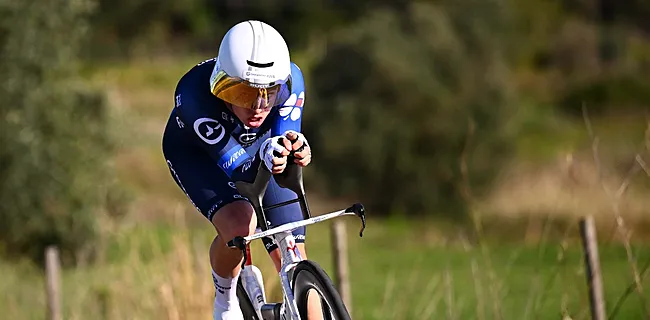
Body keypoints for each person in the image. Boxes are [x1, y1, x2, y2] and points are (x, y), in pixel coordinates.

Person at [161, 20, 313, 319]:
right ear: (222, 84)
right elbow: (243, 171)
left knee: (293, 252)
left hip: (259, 148)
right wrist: (269, 153)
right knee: (241, 225)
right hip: (199, 154)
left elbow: (285, 141)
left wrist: (295, 149)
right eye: (244, 94)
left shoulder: (292, 80)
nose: (258, 105)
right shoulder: (193, 96)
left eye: (270, 93)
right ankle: (226, 299)